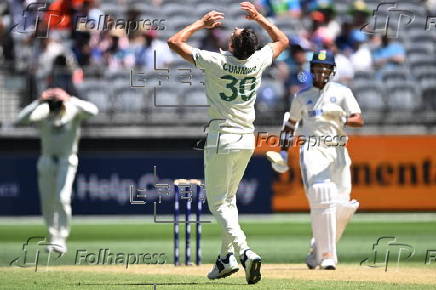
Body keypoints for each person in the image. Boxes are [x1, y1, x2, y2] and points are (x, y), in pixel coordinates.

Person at [167, 1, 288, 284]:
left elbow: (174, 42)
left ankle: (244, 251)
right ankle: (225, 259)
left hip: (222, 136)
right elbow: (283, 40)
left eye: (233, 34)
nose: (231, 31)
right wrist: (260, 18)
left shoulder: (217, 62)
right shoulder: (257, 60)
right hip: (247, 138)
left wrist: (200, 24)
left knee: (218, 204)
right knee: (229, 201)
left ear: (233, 46)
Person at [268, 50, 363, 269]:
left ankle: (317, 248)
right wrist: (283, 152)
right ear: (311, 70)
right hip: (312, 149)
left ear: (332, 71)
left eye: (325, 69)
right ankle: (328, 255)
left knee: (343, 205)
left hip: (338, 151)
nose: (321, 73)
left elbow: (359, 119)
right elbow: (290, 125)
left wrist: (342, 116)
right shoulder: (302, 97)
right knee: (322, 194)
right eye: (317, 68)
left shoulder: (342, 93)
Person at [16, 88, 98, 254]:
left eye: (57, 100)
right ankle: (53, 237)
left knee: (62, 197)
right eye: (53, 100)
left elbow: (93, 111)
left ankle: (61, 238)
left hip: (66, 160)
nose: (55, 104)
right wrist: (39, 101)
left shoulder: (73, 108)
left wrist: (69, 98)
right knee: (47, 201)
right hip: (46, 159)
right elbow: (21, 119)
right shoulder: (43, 109)